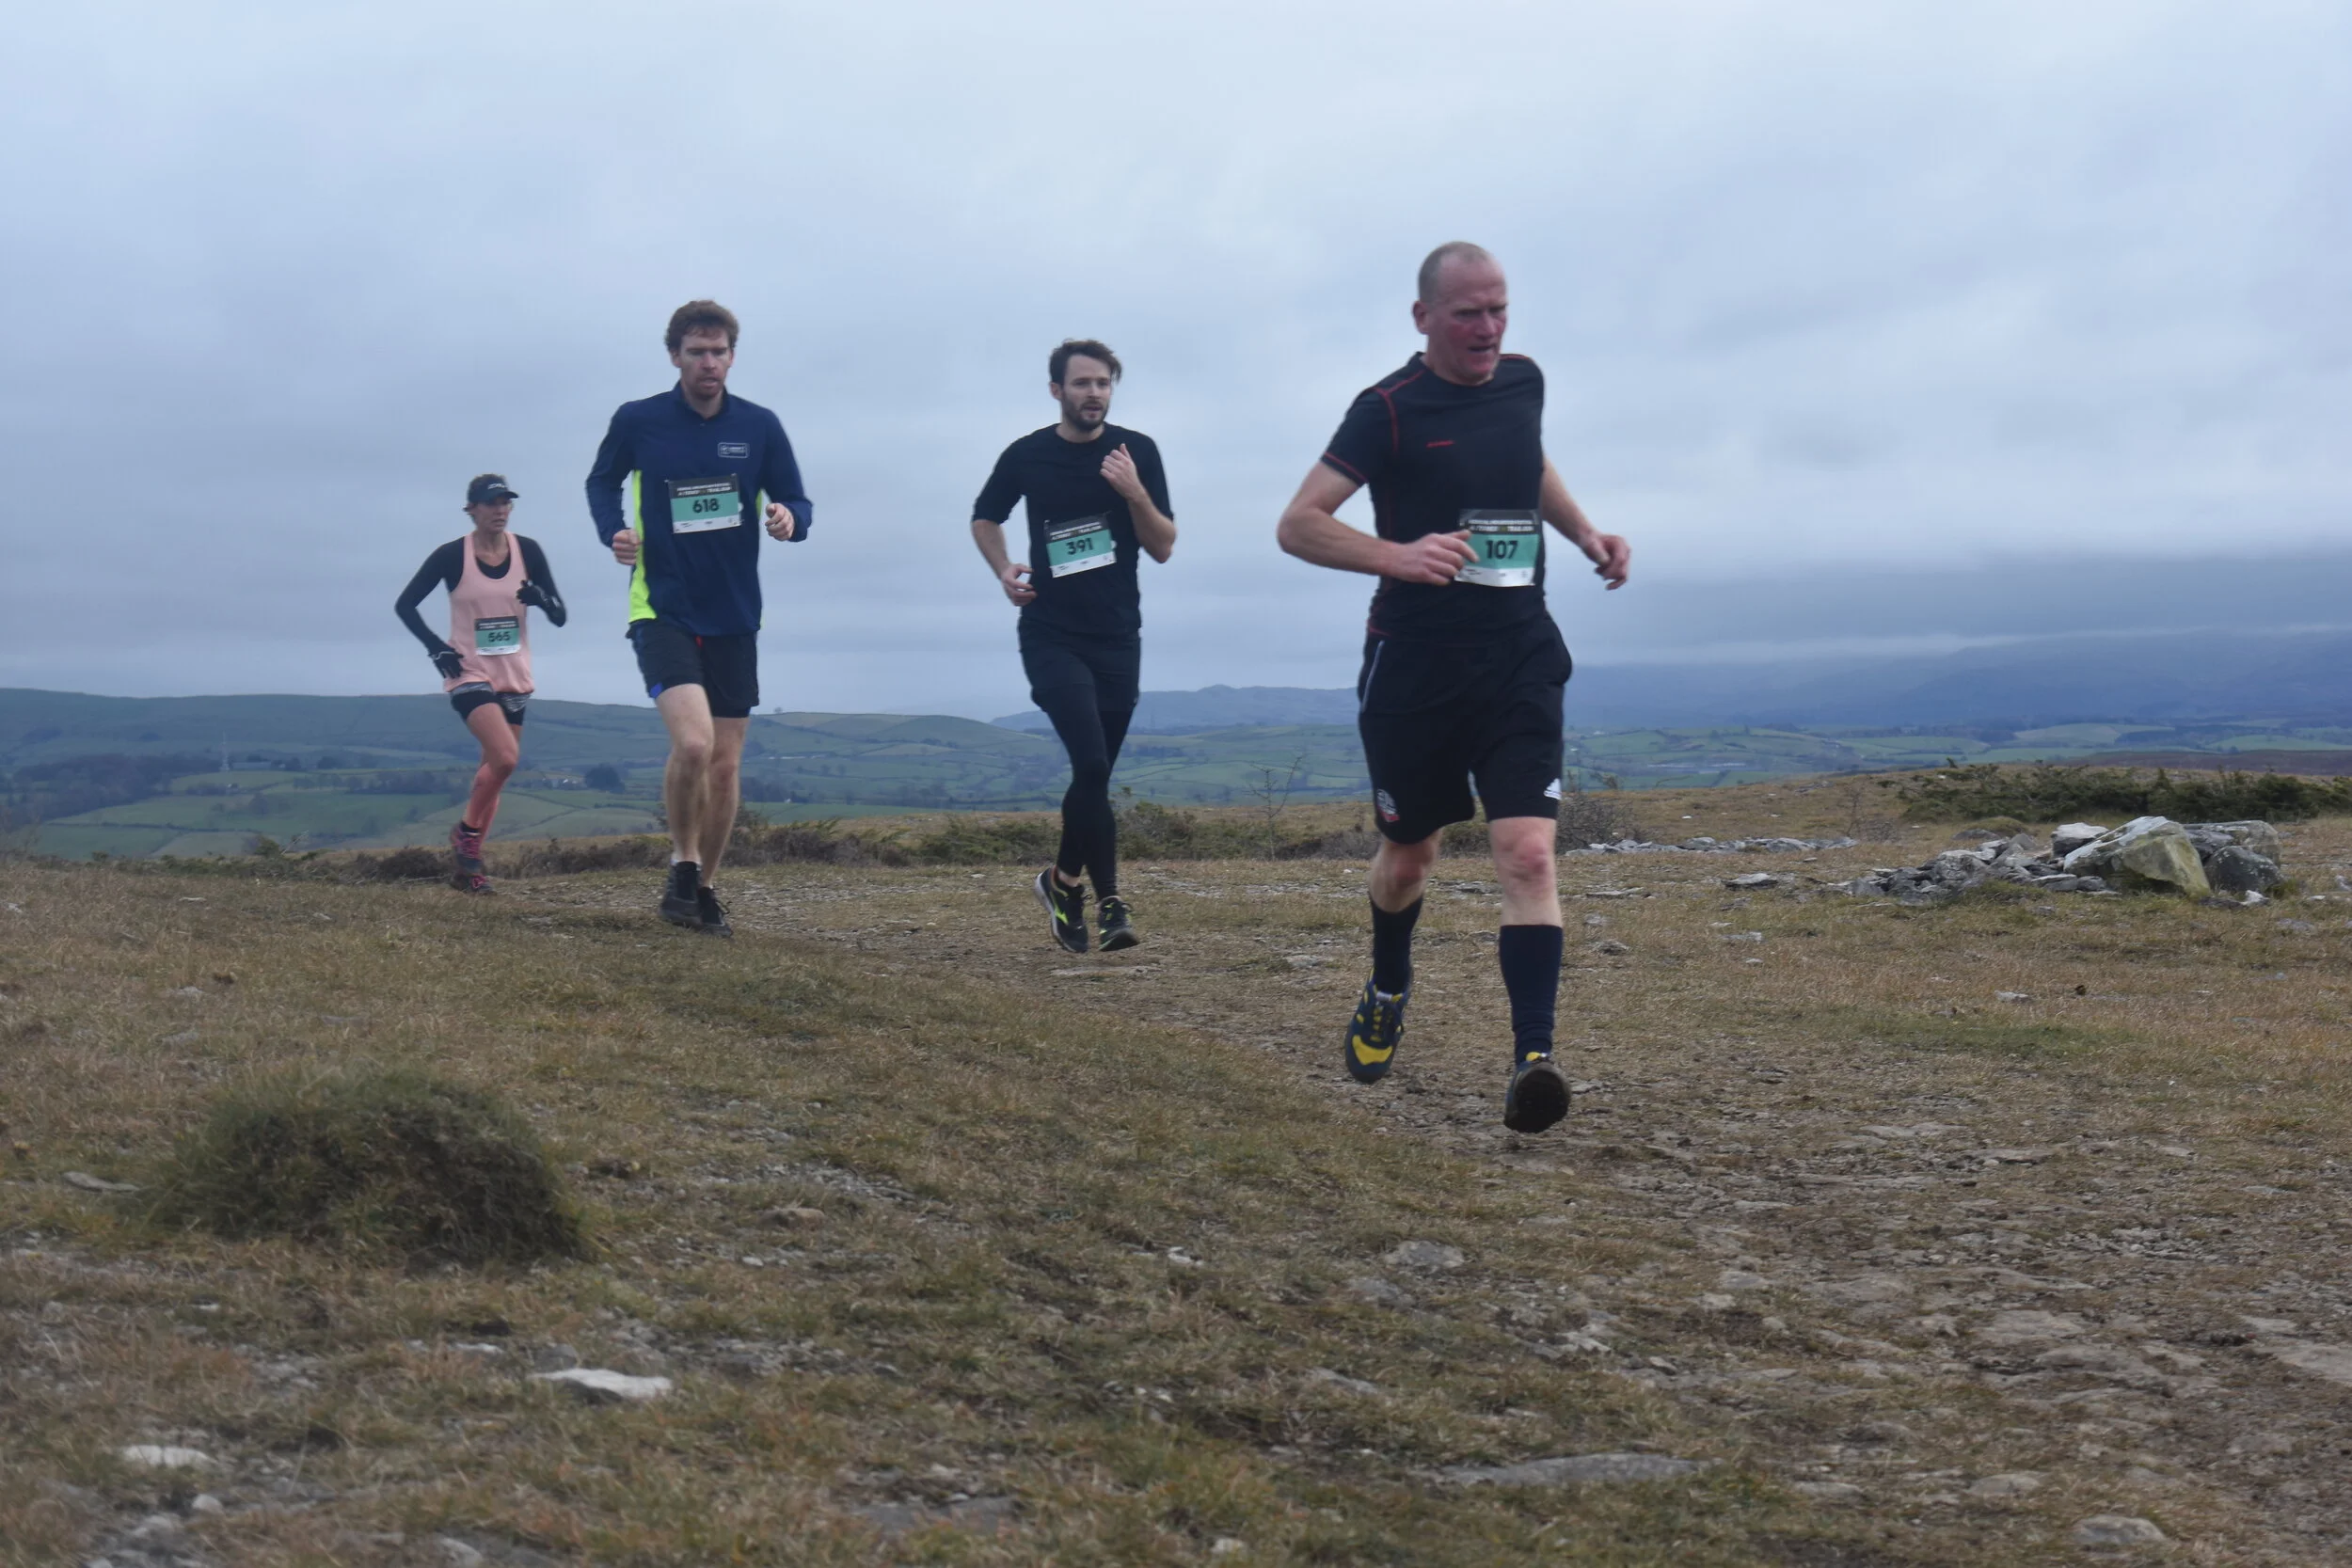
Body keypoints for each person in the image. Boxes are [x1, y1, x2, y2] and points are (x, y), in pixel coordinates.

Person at [1275, 243, 1630, 1133]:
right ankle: (1389, 981)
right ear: (1423, 316)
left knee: (1530, 854)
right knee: (1410, 859)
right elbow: (1298, 525)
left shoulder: (1523, 381)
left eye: (1499, 309)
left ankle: (1533, 1061)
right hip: (1416, 672)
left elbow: (1527, 464)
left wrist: (1585, 531)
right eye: (1469, 313)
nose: (1488, 329)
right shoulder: (1386, 411)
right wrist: (1394, 554)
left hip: (1518, 654)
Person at [586, 300, 812, 936]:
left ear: (732, 356)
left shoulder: (759, 427)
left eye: (718, 351)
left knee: (725, 765)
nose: (708, 362)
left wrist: (791, 520)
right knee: (693, 741)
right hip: (662, 605)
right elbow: (601, 482)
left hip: (735, 612)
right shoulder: (640, 420)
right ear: (675, 357)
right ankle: (682, 862)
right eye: (696, 352)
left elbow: (796, 496)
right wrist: (615, 531)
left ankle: (704, 887)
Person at [971, 339, 1176, 953]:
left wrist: (1134, 491)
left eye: (1103, 384)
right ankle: (1110, 902)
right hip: (1051, 633)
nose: (1094, 393)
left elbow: (1164, 545)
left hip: (1118, 635)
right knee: (1089, 764)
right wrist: (1004, 567)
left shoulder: (1136, 451)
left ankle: (1061, 882)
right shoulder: (1029, 454)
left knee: (1096, 776)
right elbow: (985, 516)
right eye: (1082, 383)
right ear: (1057, 389)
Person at [393, 474, 568, 893]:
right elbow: (406, 604)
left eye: (506, 502)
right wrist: (436, 647)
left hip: (514, 677)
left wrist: (542, 600)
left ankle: (468, 873)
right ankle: (467, 835)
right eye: (490, 503)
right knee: (505, 758)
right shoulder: (453, 556)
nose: (500, 510)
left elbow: (560, 614)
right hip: (468, 673)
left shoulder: (528, 551)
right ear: (471, 509)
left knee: (492, 773)